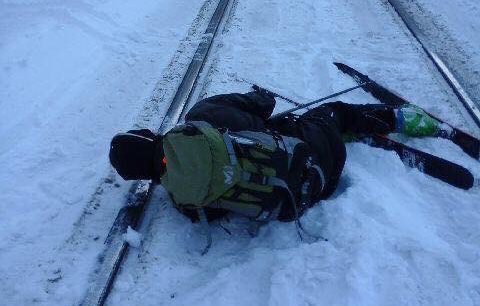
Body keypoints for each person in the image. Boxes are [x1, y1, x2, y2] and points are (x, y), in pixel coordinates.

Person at [109, 89, 438, 227]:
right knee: (332, 113)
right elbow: (263, 105)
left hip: (297, 202)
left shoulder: (183, 198)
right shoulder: (200, 116)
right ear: (148, 135)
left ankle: (338, 133)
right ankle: (403, 119)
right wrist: (259, 96)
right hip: (314, 158)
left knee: (303, 131)